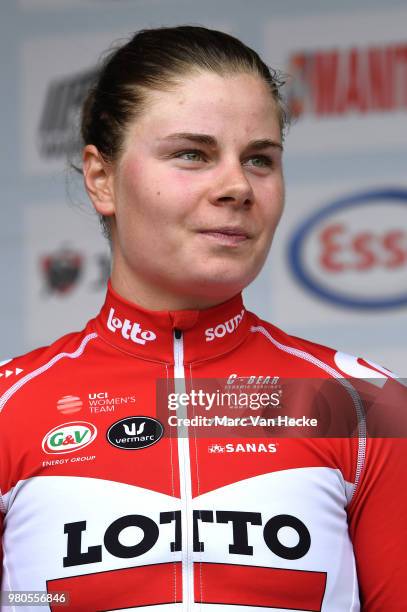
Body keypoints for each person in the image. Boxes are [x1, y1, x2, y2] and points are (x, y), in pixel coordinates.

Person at [0, 25, 406, 612]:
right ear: (101, 178)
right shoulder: (10, 409)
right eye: (192, 153)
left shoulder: (367, 405)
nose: (237, 186)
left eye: (260, 159)